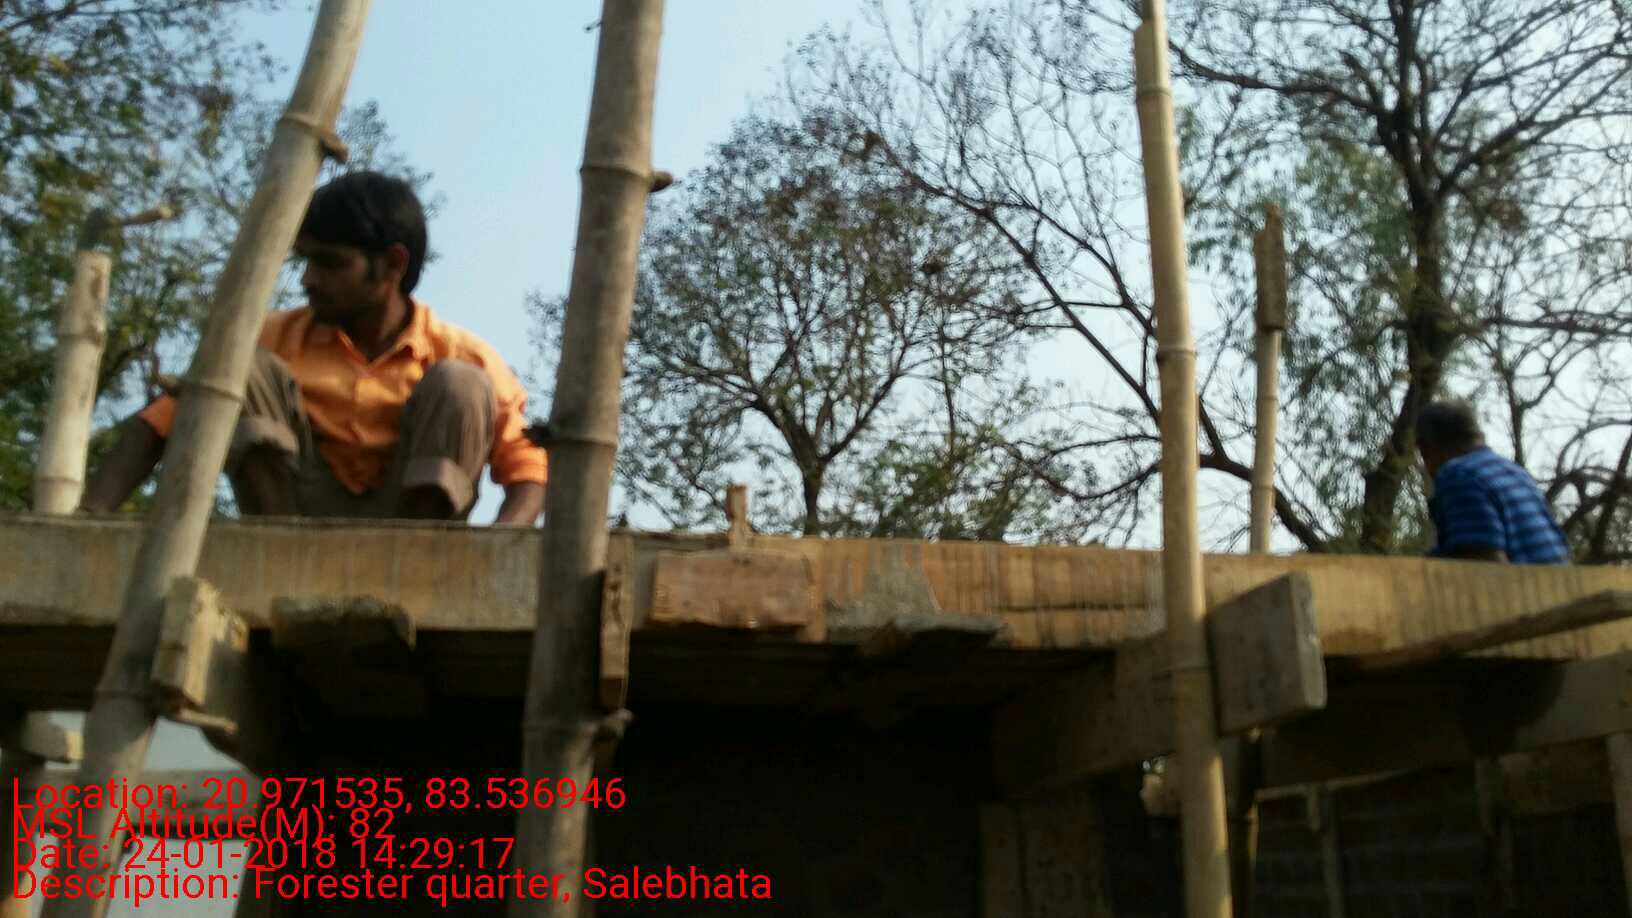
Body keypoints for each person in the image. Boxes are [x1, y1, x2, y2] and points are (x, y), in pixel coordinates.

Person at [80, 171, 546, 525]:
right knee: (240, 365)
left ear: (392, 265)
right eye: (306, 262)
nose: (309, 279)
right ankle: (277, 546)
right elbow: (158, 425)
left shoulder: (464, 353)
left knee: (461, 385)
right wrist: (88, 519)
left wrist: (494, 552)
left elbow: (529, 471)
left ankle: (419, 559)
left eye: (330, 264)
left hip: (414, 544)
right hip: (288, 526)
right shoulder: (270, 337)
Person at [1416, 399, 1568, 563]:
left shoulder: (1458, 475)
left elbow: (1484, 564)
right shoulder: (1516, 472)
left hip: (1521, 580)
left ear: (1427, 450)